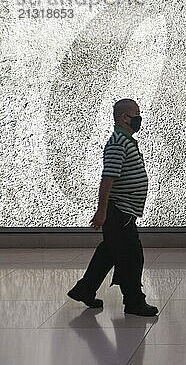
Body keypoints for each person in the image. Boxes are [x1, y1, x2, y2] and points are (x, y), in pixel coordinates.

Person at [67, 98, 158, 317]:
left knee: (109, 251)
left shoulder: (125, 141)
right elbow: (108, 178)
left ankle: (85, 289)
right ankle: (134, 301)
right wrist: (102, 211)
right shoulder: (118, 142)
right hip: (119, 211)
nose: (139, 118)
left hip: (123, 211)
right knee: (131, 256)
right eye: (136, 114)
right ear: (124, 117)